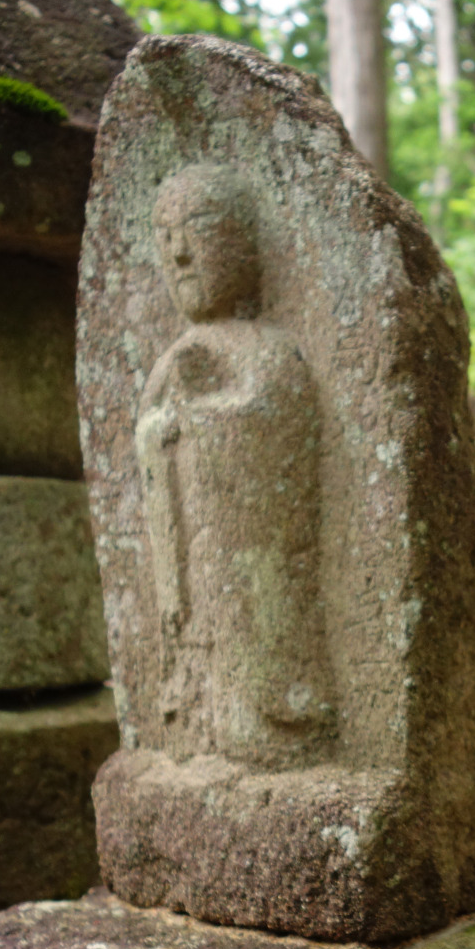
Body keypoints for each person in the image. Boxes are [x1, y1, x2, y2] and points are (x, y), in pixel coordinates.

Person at [135, 165, 336, 767]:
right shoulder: (172, 360)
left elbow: (274, 427)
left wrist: (205, 418)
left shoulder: (268, 348)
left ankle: (263, 712)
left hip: (245, 562)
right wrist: (160, 432)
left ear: (243, 244)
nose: (180, 252)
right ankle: (193, 713)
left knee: (244, 615)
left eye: (197, 229)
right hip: (188, 563)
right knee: (191, 641)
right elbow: (151, 433)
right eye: (165, 234)